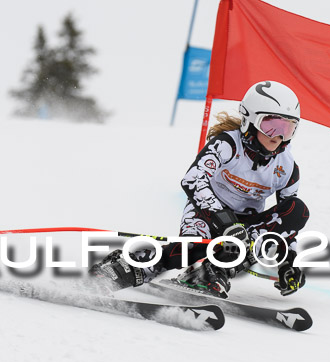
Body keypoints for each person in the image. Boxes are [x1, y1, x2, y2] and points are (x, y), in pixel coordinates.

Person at [90, 80, 308, 298]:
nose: (278, 136)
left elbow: (285, 224)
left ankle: (212, 272)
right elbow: (192, 180)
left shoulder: (287, 167)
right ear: (249, 121)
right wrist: (225, 222)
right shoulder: (227, 145)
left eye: (287, 129)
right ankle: (129, 267)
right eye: (271, 125)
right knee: (189, 250)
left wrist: (289, 262)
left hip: (246, 228)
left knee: (298, 210)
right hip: (208, 213)